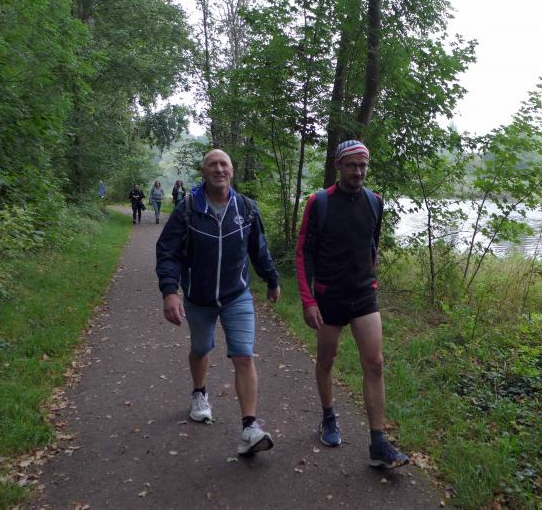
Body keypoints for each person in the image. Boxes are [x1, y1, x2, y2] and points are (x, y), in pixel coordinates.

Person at [156, 149, 281, 457]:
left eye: (224, 164)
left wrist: (272, 279)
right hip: (198, 298)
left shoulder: (246, 209)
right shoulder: (188, 209)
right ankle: (199, 393)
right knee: (201, 349)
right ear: (204, 172)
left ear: (232, 171)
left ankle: (250, 427)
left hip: (237, 295)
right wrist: (170, 291)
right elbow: (168, 251)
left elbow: (259, 249)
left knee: (244, 356)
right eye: (212, 164)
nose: (219, 169)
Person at [295, 140, 409, 469]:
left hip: (363, 294)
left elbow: (371, 243)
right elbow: (303, 253)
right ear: (338, 166)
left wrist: (368, 276)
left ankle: (378, 442)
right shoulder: (319, 203)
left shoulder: (375, 202)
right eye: (351, 165)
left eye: (363, 166)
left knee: (375, 363)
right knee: (326, 360)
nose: (358, 172)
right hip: (328, 296)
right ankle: (328, 417)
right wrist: (308, 300)